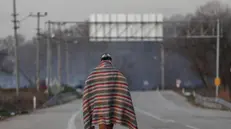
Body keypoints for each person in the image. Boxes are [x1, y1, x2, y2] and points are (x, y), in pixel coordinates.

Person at [82, 53, 138, 129]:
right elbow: (123, 91)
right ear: (110, 61)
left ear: (101, 61)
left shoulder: (93, 75)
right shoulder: (117, 74)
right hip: (111, 110)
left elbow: (87, 94)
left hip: (98, 109)